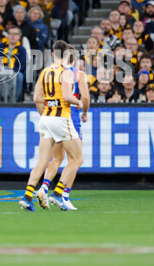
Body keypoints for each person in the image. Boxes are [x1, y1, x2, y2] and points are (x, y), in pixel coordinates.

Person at [19, 41, 84, 212]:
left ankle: (27, 196)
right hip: (62, 118)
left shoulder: (45, 71)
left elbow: (36, 98)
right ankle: (58, 193)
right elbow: (68, 97)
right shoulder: (66, 72)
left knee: (43, 161)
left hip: (46, 118)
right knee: (77, 159)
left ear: (53, 55)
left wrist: (45, 114)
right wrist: (79, 103)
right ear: (68, 56)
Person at [36, 55, 90, 211]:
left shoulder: (55, 73)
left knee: (57, 158)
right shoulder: (78, 75)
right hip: (70, 116)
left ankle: (44, 188)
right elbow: (85, 98)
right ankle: (63, 195)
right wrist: (85, 113)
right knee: (75, 160)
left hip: (54, 116)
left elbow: (39, 97)